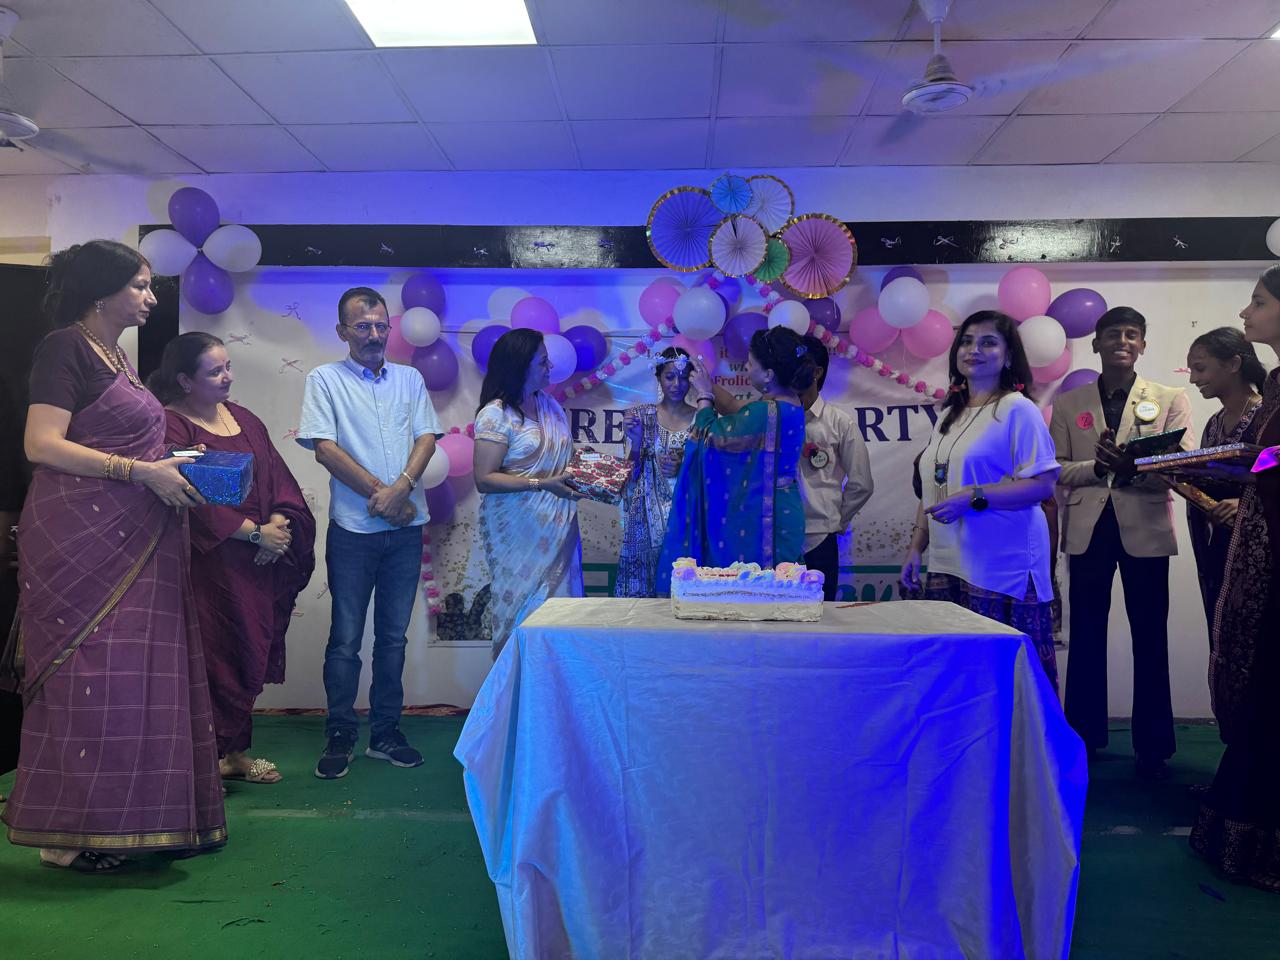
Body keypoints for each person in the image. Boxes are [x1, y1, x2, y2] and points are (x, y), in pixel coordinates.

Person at [2, 240, 225, 871]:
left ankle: (120, 821)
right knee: (88, 677)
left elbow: (119, 443)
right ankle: (62, 839)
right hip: (81, 538)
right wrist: (140, 472)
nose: (151, 297)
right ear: (102, 292)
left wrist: (170, 466)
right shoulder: (64, 348)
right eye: (140, 285)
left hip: (134, 534)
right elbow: (42, 444)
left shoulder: (119, 357)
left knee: (129, 680)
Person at [155, 333, 317, 785]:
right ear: (185, 380)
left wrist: (279, 526)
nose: (227, 377)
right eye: (215, 371)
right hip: (209, 565)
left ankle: (235, 754)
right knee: (213, 659)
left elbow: (278, 479)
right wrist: (254, 533)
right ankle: (203, 764)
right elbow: (187, 498)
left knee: (248, 652)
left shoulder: (243, 419)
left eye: (228, 367)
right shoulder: (171, 426)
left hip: (259, 562)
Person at [298, 287, 441, 780]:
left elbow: (426, 437)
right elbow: (324, 448)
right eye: (363, 326)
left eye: (381, 325)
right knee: (345, 640)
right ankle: (340, 733)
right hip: (353, 532)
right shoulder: (324, 379)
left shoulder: (409, 378)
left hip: (405, 533)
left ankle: (385, 734)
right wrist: (385, 496)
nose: (374, 335)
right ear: (343, 331)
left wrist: (402, 489)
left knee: (393, 639)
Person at [1049, 305, 1195, 779]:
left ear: (1143, 345)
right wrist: (1098, 467)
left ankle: (1154, 746)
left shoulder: (1170, 398)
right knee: (1087, 634)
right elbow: (1056, 469)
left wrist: (1135, 469)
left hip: (1145, 528)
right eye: (1113, 334)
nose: (1123, 341)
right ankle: (1084, 736)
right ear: (1096, 344)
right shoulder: (1069, 404)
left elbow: (1182, 464)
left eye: (1132, 334)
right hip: (1088, 530)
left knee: (1150, 635)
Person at [900, 311, 1061, 690]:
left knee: (1008, 680)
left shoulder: (1018, 409)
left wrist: (974, 497)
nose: (974, 350)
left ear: (1008, 356)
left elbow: (1043, 484)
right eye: (968, 341)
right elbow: (934, 487)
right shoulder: (949, 415)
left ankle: (1019, 735)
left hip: (1002, 566)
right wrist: (915, 548)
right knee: (960, 680)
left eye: (988, 342)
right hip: (950, 561)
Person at [1190, 265, 1280, 891]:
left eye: (1259, 301)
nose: (1247, 313)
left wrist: (1250, 467)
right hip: (1258, 550)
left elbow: (1269, 461)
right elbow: (1266, 462)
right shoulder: (1276, 384)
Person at [656, 326, 812, 594]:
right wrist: (705, 382)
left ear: (768, 374)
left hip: (764, 516)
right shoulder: (790, 403)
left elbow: (708, 439)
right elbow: (737, 411)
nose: (747, 369)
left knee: (756, 596)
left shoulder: (765, 412)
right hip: (785, 509)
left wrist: (704, 396)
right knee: (782, 596)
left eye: (750, 364)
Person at [472, 329, 584, 656]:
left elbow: (563, 461)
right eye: (543, 362)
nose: (550, 367)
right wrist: (541, 484)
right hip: (518, 533)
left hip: (560, 526)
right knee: (522, 613)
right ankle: (518, 687)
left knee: (562, 619)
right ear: (520, 366)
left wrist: (588, 476)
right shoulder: (496, 415)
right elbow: (484, 479)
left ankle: (556, 688)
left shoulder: (550, 406)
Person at [1183, 327, 1266, 647]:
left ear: (1233, 364)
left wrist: (1246, 505)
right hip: (1222, 545)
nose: (1193, 379)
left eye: (1200, 368)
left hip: (1262, 550)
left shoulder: (1269, 417)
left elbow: (1273, 472)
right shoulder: (1215, 423)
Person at [614, 347, 696, 598]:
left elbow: (710, 473)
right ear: (659, 377)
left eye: (683, 377)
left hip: (686, 512)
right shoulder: (642, 416)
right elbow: (630, 476)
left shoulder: (701, 418)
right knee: (643, 591)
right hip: (645, 516)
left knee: (684, 583)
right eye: (670, 377)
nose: (677, 384)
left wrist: (685, 465)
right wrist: (637, 443)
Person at [797, 335, 873, 602]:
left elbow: (862, 483)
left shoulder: (839, 422)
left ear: (817, 372)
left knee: (820, 613)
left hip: (819, 539)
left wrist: (836, 521)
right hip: (776, 536)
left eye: (799, 364)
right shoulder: (774, 418)